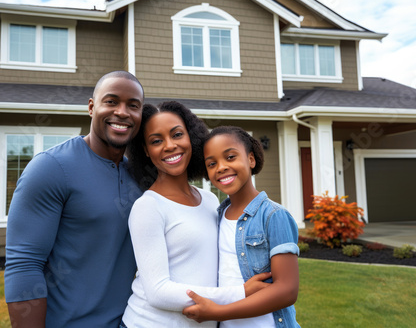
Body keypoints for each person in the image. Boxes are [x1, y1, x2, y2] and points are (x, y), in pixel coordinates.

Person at [4, 70, 145, 327]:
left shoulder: (140, 178)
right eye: (111, 101)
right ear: (92, 107)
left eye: (133, 106)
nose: (123, 112)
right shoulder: (51, 168)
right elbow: (24, 266)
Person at [122, 102, 271, 328]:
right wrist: (240, 293)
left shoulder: (211, 200)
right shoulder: (148, 207)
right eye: (156, 141)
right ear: (145, 150)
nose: (170, 145)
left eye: (177, 134)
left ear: (191, 137)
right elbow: (158, 292)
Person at [183, 126, 300, 328]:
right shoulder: (217, 216)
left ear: (251, 160)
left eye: (230, 157)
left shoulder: (273, 215)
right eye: (212, 163)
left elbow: (287, 290)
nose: (221, 167)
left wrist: (217, 312)